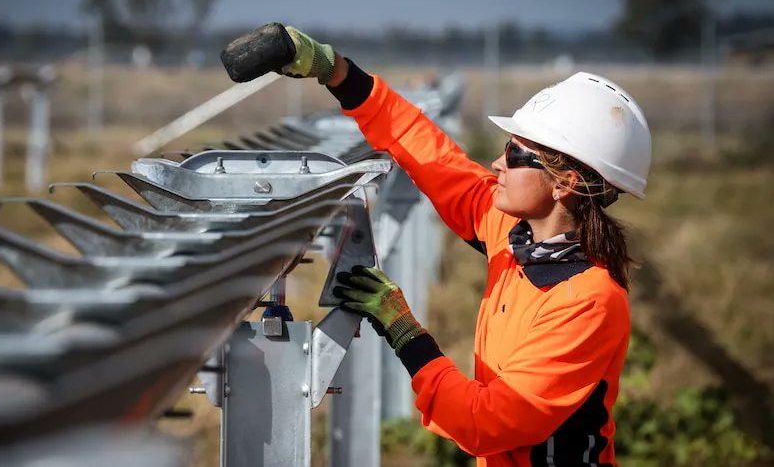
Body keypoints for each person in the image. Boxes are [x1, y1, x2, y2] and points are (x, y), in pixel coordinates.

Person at [240, 25, 652, 467]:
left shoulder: (589, 302)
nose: (497, 163)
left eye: (515, 155)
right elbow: (435, 159)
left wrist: (404, 331)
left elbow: (483, 423)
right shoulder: (514, 236)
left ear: (565, 183)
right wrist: (338, 72)